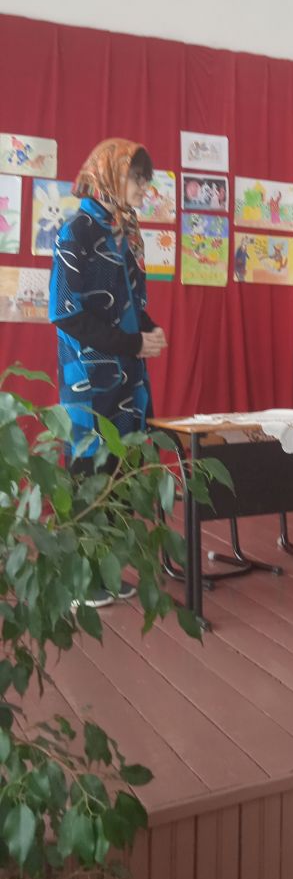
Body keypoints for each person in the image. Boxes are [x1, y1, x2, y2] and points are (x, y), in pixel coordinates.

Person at [50, 138, 167, 607]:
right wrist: (133, 342)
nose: (143, 189)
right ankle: (80, 582)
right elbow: (66, 313)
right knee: (87, 476)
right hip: (87, 381)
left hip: (128, 378)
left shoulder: (127, 231)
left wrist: (150, 330)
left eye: (146, 181)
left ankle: (109, 571)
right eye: (137, 178)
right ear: (111, 174)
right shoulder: (76, 231)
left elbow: (131, 305)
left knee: (122, 472)